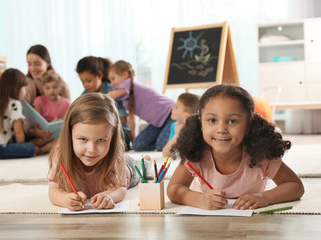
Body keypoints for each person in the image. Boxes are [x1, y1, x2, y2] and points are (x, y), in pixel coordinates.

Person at [167, 84, 304, 210]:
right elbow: (174, 189)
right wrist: (198, 199)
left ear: (248, 125)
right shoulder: (196, 153)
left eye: (232, 121)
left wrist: (266, 197)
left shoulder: (260, 155)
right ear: (201, 124)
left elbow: (295, 186)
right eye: (212, 120)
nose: (221, 129)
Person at [48, 93, 151, 211]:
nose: (91, 150)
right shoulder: (61, 153)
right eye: (83, 139)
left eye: (101, 140)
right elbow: (53, 191)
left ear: (112, 137)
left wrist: (109, 196)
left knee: (142, 168)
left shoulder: (116, 154)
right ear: (69, 134)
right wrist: (65, 199)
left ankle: (146, 161)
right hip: (107, 157)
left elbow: (121, 189)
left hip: (127, 168)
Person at [107, 60, 175, 151]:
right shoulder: (125, 98)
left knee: (162, 146)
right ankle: (163, 138)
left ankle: (179, 132)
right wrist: (133, 137)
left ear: (125, 74)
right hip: (158, 123)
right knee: (138, 145)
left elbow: (109, 96)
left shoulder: (128, 83)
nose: (111, 83)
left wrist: (93, 100)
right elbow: (131, 119)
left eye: (113, 79)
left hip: (171, 114)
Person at [76, 56, 131, 151]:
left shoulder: (113, 90)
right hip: (94, 134)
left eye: (88, 81)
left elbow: (123, 118)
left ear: (100, 76)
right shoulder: (84, 96)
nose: (85, 85)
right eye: (82, 82)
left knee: (119, 139)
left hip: (118, 130)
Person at [24, 44, 71, 142]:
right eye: (29, 64)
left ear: (48, 63)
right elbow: (20, 115)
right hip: (32, 132)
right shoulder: (25, 85)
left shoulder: (60, 83)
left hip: (57, 131)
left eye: (37, 64)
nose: (32, 69)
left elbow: (69, 112)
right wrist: (32, 131)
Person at [31, 70, 70, 154]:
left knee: (60, 140)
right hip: (43, 133)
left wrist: (59, 120)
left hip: (58, 134)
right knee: (36, 142)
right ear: (43, 88)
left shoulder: (66, 103)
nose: (51, 91)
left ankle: (41, 151)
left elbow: (67, 120)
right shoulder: (39, 100)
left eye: (55, 87)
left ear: (60, 87)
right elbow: (36, 119)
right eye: (47, 88)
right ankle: (32, 149)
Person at [162, 93, 200, 157]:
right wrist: (177, 134)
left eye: (176, 107)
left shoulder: (198, 128)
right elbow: (165, 154)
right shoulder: (175, 126)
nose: (172, 108)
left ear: (186, 116)